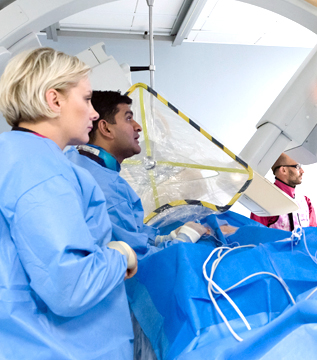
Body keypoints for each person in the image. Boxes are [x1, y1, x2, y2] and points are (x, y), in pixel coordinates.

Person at [0, 48, 137, 359]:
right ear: (54, 100)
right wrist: (120, 255)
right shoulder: (39, 169)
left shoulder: (17, 155)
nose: (93, 112)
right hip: (61, 348)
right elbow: (70, 287)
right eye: (87, 99)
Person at [65, 90, 208, 261]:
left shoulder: (74, 160)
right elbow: (140, 262)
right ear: (105, 128)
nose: (138, 126)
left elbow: (130, 232)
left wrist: (161, 239)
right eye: (128, 118)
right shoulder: (106, 190)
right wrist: (186, 238)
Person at [250, 152, 317, 230]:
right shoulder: (264, 201)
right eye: (298, 167)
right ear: (283, 170)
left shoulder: (306, 202)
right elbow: (256, 234)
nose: (302, 171)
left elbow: (314, 235)